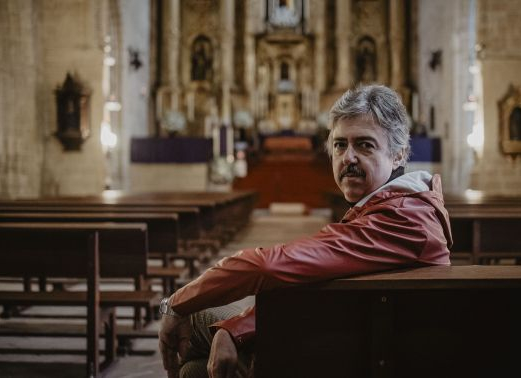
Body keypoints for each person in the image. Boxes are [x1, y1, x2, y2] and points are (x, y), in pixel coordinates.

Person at [159, 84, 453, 378]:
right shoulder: (400, 205)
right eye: (340, 145)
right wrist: (236, 329)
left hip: (349, 354)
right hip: (350, 336)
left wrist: (175, 303)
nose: (348, 157)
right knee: (196, 368)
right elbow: (324, 295)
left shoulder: (401, 218)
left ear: (399, 154)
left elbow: (268, 265)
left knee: (195, 322)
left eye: (364, 145)